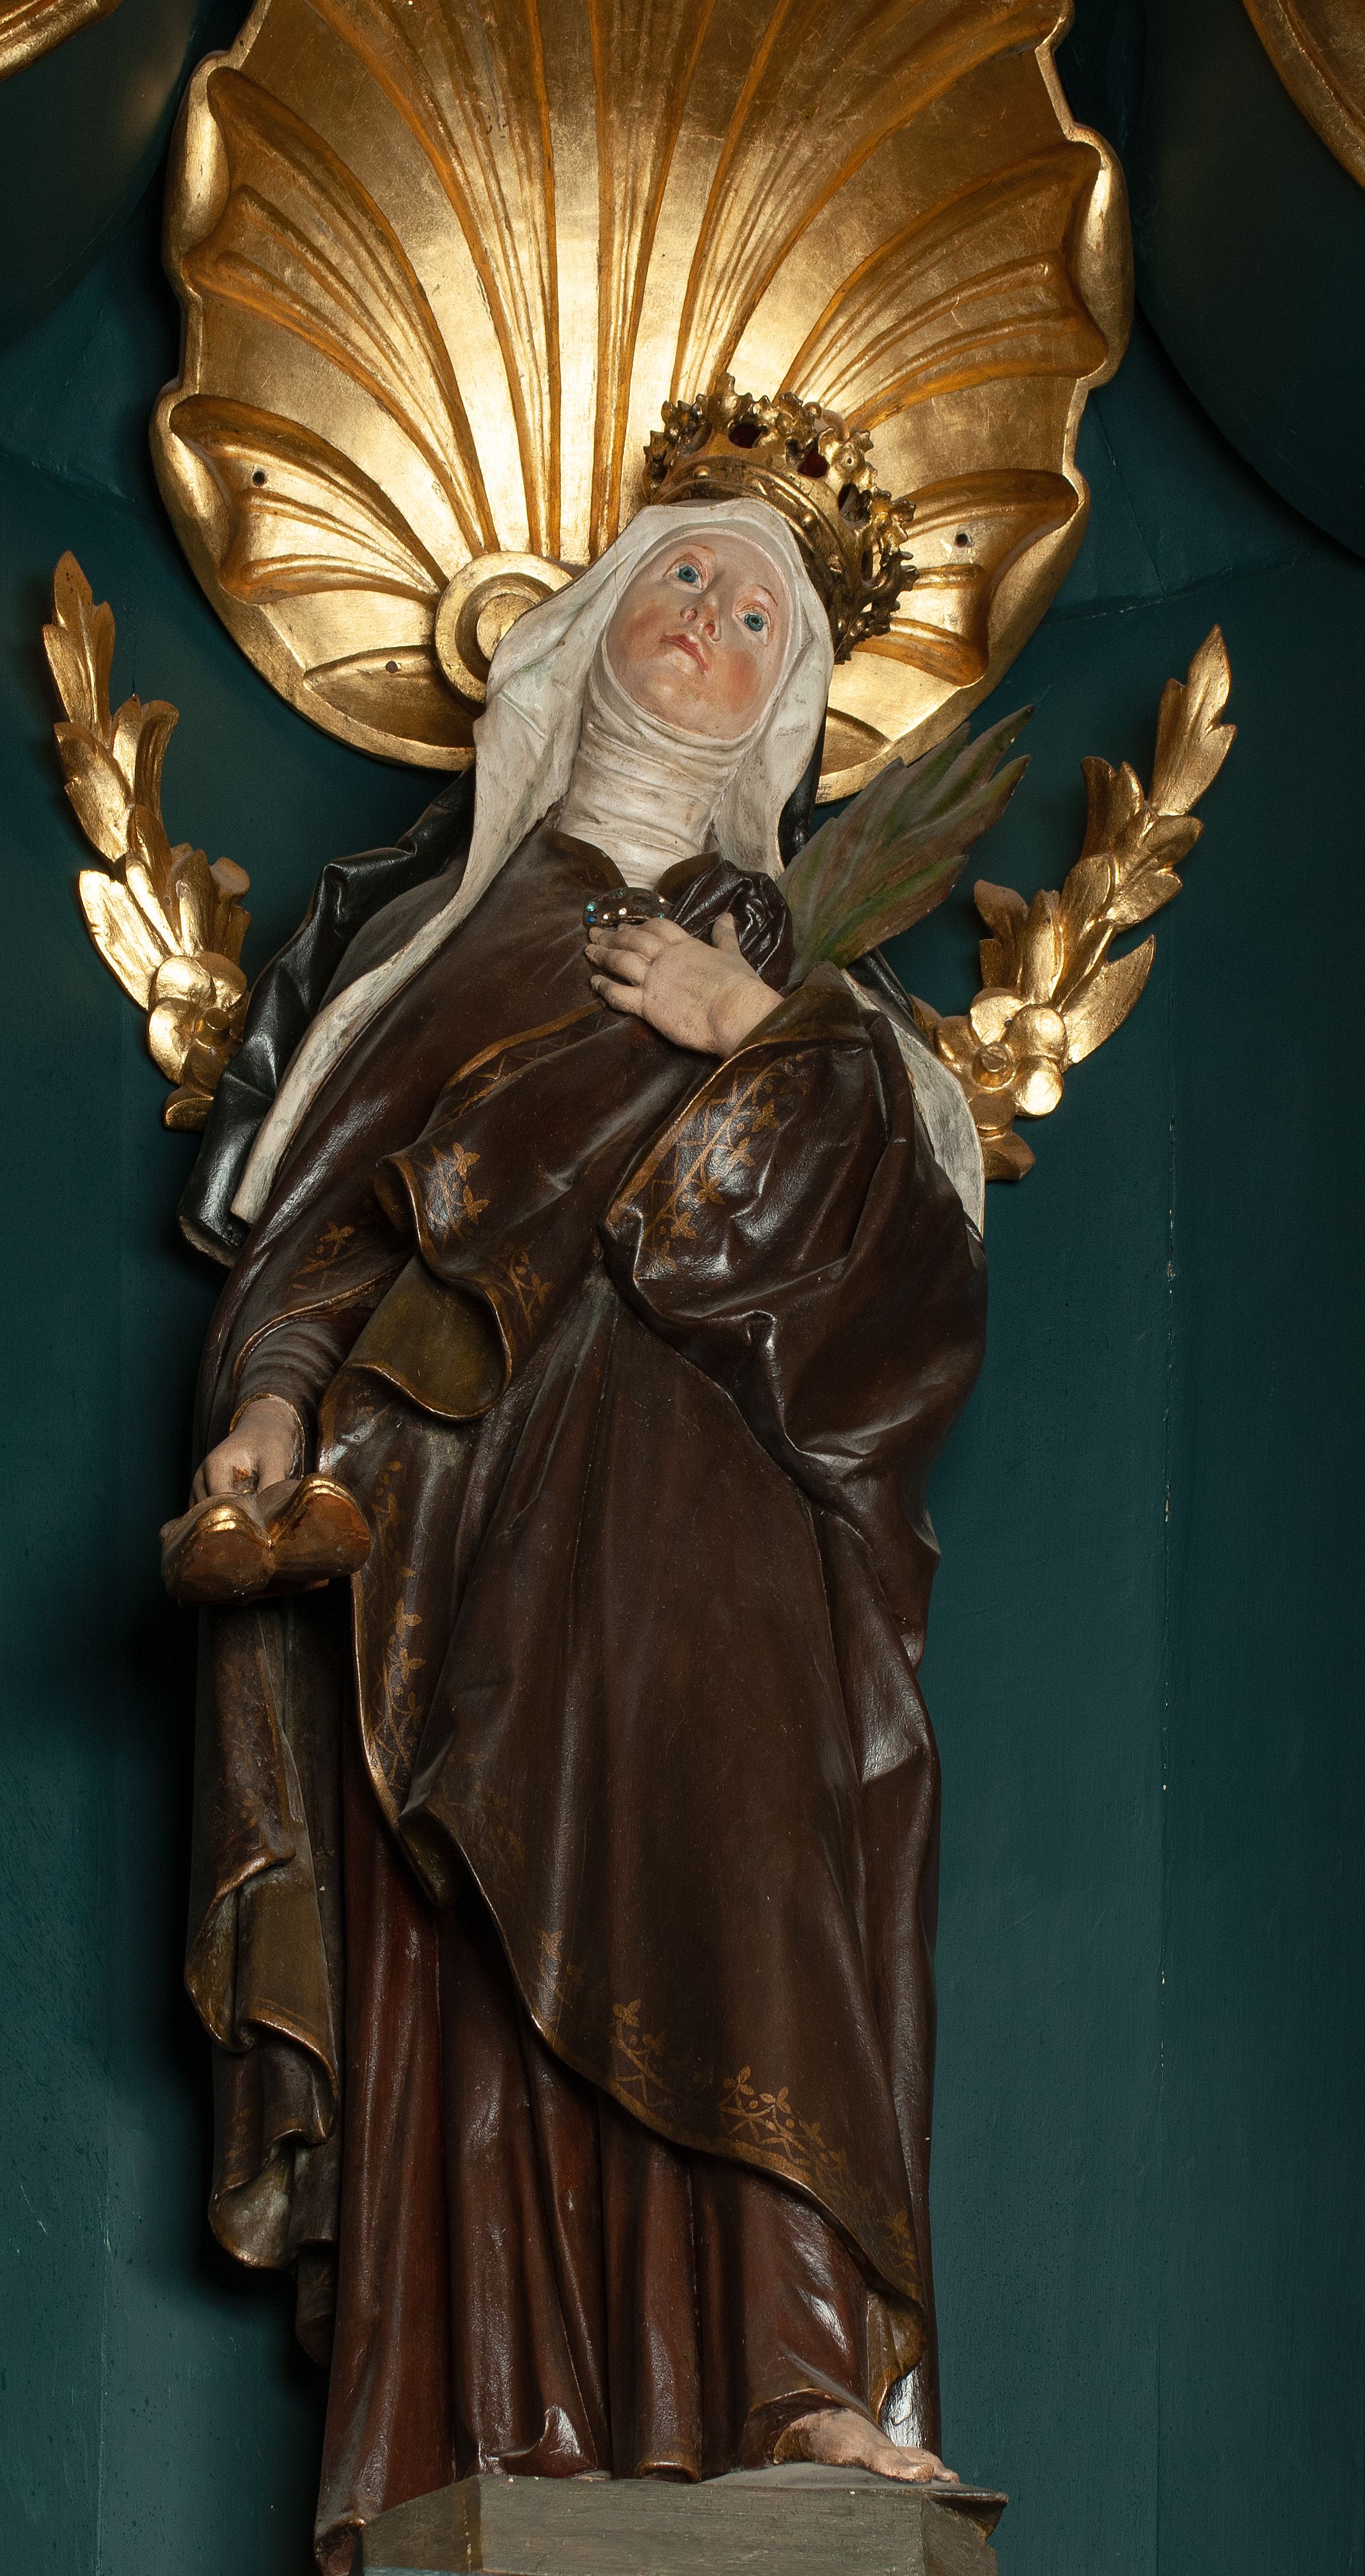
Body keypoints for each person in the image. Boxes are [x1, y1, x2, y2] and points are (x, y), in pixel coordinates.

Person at [181, 496, 987, 2573]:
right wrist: (271, 1405)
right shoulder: (452, 946)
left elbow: (915, 1294)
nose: (714, 616)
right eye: (683, 577)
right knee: (479, 1944)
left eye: (760, 612)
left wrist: (758, 1035)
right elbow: (332, 1227)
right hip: (464, 1520)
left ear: (785, 709)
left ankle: (795, 2376)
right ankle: (495, 2410)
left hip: (723, 1512)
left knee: (758, 1877)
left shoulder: (802, 978)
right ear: (591, 626)